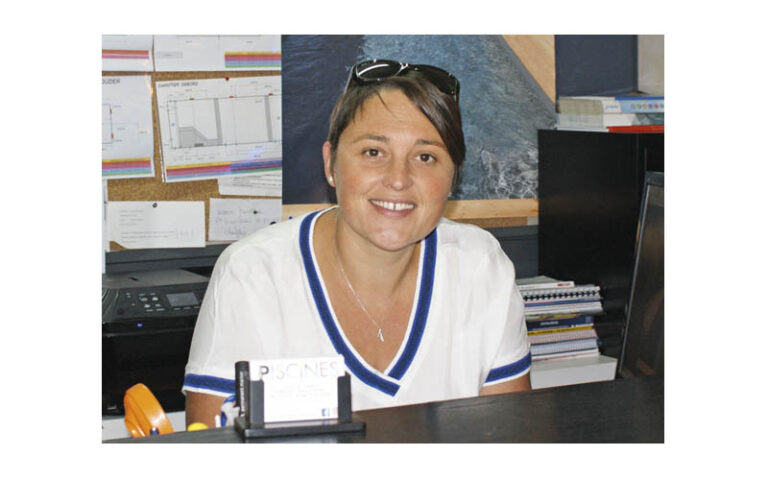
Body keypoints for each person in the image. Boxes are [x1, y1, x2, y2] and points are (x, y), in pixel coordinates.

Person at [183, 59, 531, 427]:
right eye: (373, 152)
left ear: (453, 178)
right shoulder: (253, 275)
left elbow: (509, 440)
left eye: (426, 156)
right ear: (331, 164)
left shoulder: (481, 267)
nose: (399, 179)